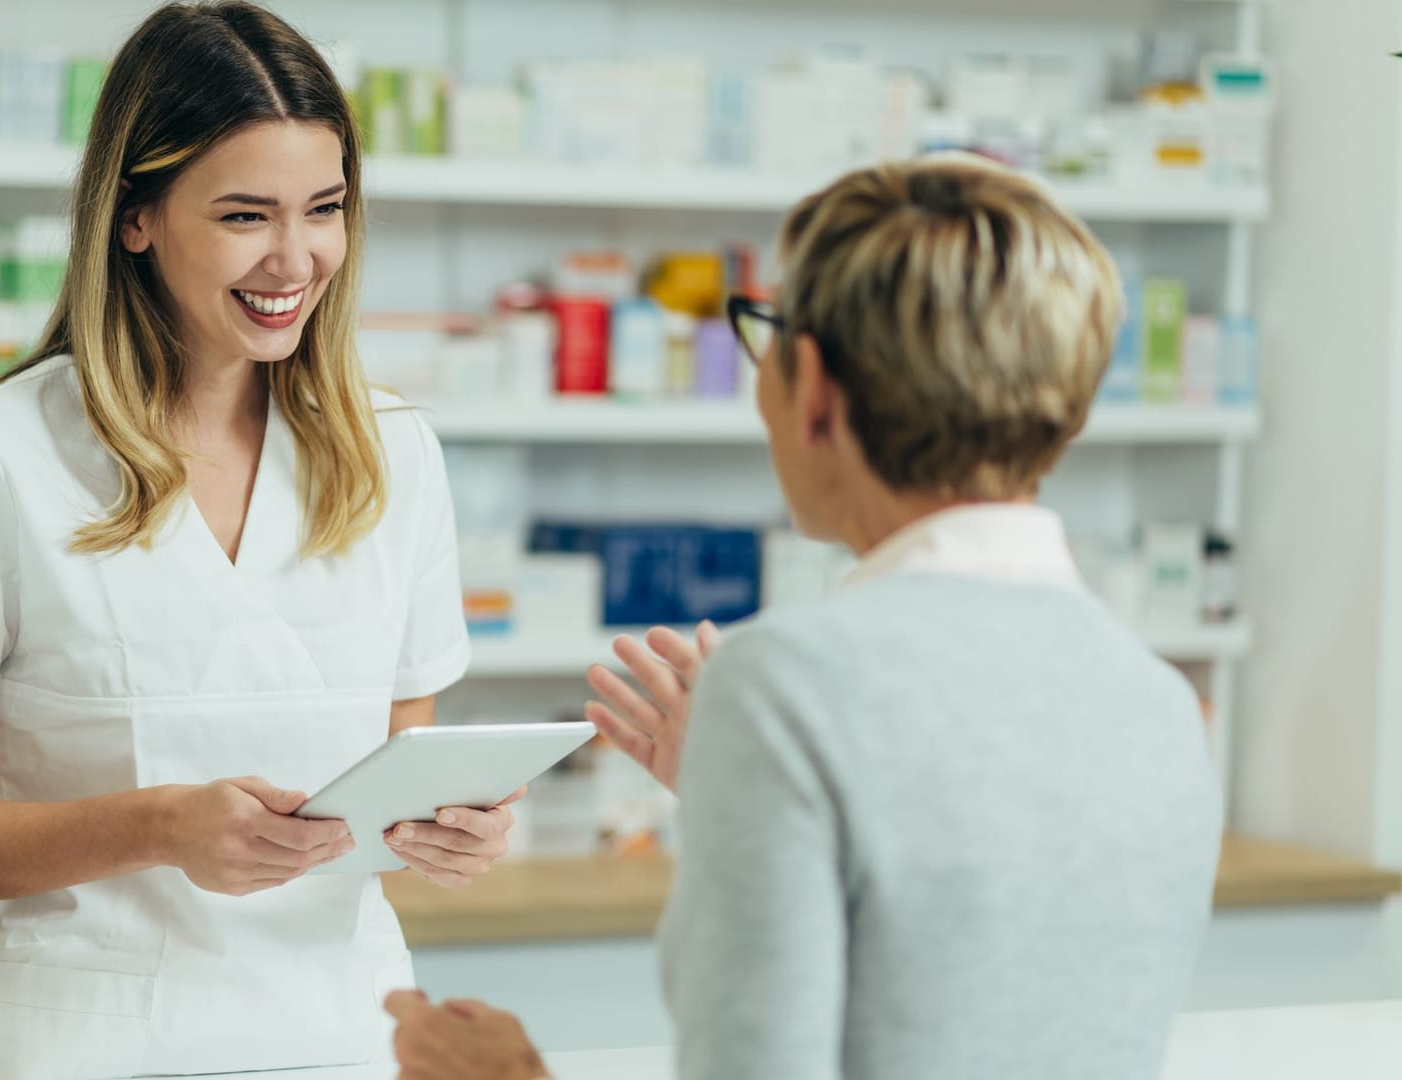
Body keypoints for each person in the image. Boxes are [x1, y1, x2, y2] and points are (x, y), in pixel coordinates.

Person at [385, 155, 1223, 1080]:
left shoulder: (788, 685)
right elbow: (976, 985)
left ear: (814, 387)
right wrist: (749, 792)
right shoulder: (1158, 702)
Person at [0, 5, 521, 1077]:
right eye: (246, 215)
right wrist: (158, 827)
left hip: (344, 1036)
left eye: (326, 209)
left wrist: (453, 830)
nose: (295, 257)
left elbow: (400, 774)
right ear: (137, 216)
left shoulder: (394, 454)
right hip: (88, 1048)